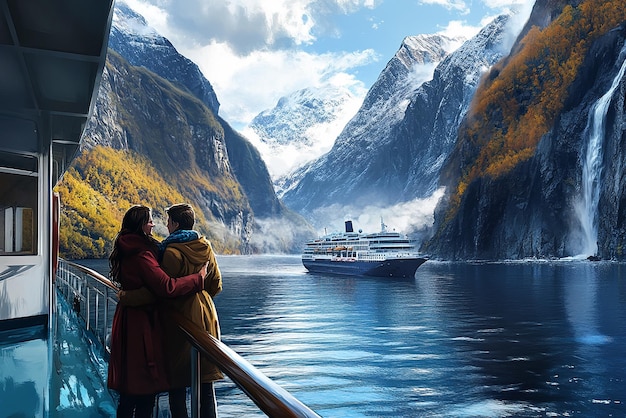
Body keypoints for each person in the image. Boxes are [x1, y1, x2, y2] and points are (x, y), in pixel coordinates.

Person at [119, 203, 223, 418]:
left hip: (180, 318)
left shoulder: (170, 252)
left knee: (178, 385)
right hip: (207, 317)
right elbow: (216, 285)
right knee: (205, 383)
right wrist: (201, 299)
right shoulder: (205, 247)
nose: (164, 225)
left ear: (175, 223)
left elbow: (160, 291)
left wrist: (128, 296)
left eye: (167, 221)